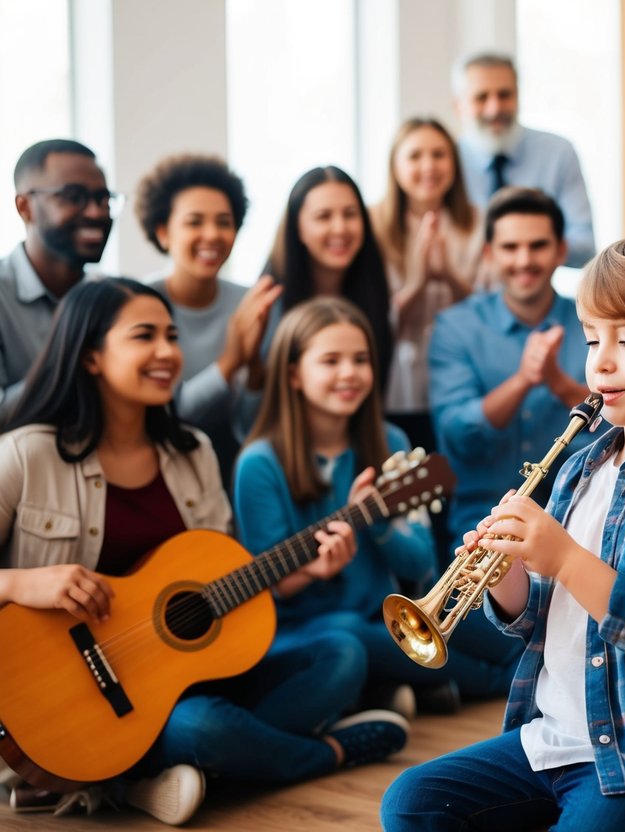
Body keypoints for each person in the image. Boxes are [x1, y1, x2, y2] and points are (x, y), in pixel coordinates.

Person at [381, 226, 625, 831]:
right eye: (594, 339)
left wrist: (564, 557)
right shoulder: (582, 465)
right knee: (411, 802)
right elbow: (542, 618)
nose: (602, 361)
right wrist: (508, 575)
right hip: (556, 740)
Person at [0, 279, 407, 826]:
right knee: (200, 727)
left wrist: (302, 570)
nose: (168, 352)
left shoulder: (192, 454)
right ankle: (320, 753)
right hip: (69, 701)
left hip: (180, 686)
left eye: (171, 335)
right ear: (90, 355)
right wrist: (19, 584)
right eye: (144, 336)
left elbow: (225, 583)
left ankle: (139, 778)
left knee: (340, 654)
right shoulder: (25, 455)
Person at [235, 296, 518, 710]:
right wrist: (312, 571)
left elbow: (420, 564)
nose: (349, 373)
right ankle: (447, 686)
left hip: (386, 613)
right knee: (356, 636)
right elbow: (263, 588)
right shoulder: (259, 463)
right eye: (330, 361)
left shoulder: (392, 443)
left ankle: (402, 687)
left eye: (360, 359)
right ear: (294, 374)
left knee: (514, 639)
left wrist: (380, 522)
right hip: (313, 628)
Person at [429, 187, 590, 547]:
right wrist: (522, 381)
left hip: (581, 513)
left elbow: (624, 427)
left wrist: (560, 385)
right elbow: (457, 437)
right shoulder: (455, 327)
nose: (524, 260)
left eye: (538, 245)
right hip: (482, 521)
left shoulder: (593, 321)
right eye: (510, 247)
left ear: (561, 250)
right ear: (489, 254)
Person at [135, 154, 281, 484]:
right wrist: (229, 364)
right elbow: (161, 416)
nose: (212, 234)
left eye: (224, 222)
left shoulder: (251, 301)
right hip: (157, 462)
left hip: (235, 467)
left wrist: (257, 369)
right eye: (194, 222)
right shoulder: (138, 303)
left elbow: (252, 426)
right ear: (163, 233)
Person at [370, 117, 485, 456]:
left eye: (439, 154)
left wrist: (449, 275)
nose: (428, 166)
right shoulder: (371, 224)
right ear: (395, 164)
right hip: (397, 385)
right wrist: (417, 284)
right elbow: (372, 320)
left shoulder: (478, 222)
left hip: (465, 381)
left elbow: (490, 313)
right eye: (415, 156)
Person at [1, 139, 116, 418]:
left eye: (103, 199)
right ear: (24, 207)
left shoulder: (112, 296)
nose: (96, 212)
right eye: (74, 197)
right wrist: (71, 354)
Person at [453, 52, 596, 268]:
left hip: (537, 295)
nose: (495, 108)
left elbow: (585, 246)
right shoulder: (445, 161)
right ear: (458, 105)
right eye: (481, 97)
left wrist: (527, 250)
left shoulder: (558, 153)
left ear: (518, 96)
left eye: (504, 95)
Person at [263, 166, 393, 377]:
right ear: (298, 228)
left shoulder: (376, 293)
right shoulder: (269, 304)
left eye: (350, 214)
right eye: (324, 216)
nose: (340, 228)